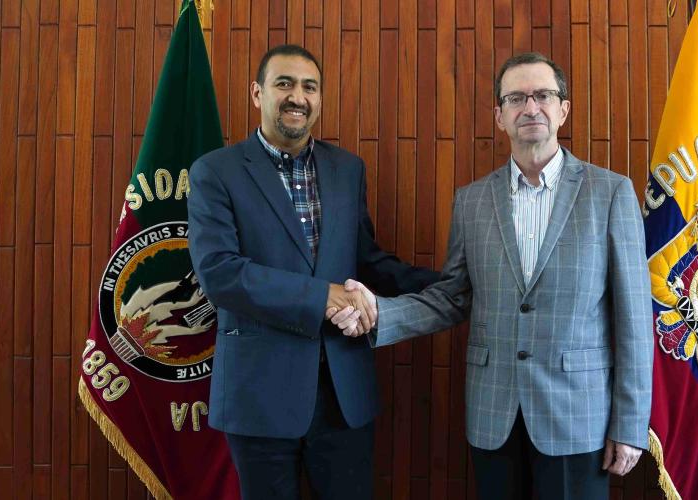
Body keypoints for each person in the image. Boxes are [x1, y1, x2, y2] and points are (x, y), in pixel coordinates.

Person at [330, 52, 653, 499]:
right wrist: (378, 312)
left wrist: (631, 424)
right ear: (499, 116)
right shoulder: (472, 201)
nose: (531, 107)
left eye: (543, 95)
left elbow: (634, 319)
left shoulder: (610, 193)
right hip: (493, 414)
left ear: (564, 109)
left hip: (578, 416)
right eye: (516, 98)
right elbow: (453, 297)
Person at [187, 44, 439, 500]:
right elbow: (219, 273)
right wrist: (324, 296)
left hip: (344, 393)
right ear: (257, 93)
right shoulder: (215, 172)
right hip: (259, 396)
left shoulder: (348, 170)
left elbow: (367, 261)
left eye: (309, 87)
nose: (297, 97)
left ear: (320, 98)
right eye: (284, 84)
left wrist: (446, 284)